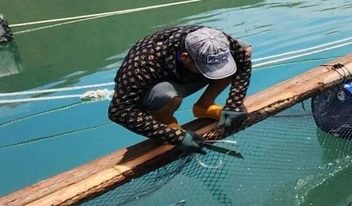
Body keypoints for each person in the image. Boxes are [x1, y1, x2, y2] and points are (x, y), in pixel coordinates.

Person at [108, 25, 252, 151]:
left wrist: (235, 103)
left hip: (191, 75)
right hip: (165, 87)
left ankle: (204, 106)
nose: (217, 73)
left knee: (244, 50)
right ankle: (166, 123)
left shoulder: (213, 38)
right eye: (208, 68)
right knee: (166, 95)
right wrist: (172, 136)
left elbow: (243, 60)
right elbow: (118, 111)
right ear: (185, 57)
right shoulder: (142, 64)